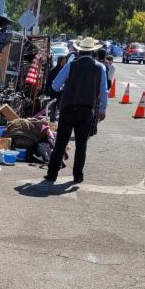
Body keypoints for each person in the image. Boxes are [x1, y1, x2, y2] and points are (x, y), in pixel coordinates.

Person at [44, 37, 108, 184]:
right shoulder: (100, 68)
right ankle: (77, 176)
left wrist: (67, 89)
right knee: (81, 145)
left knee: (60, 143)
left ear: (79, 50)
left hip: (68, 108)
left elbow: (55, 86)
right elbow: (103, 92)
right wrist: (102, 110)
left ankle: (52, 174)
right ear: (94, 51)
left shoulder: (71, 65)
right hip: (87, 110)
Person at [46, 55, 67, 122]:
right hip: (53, 93)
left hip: (62, 94)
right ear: (59, 62)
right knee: (53, 110)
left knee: (62, 110)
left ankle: (60, 125)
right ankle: (52, 124)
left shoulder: (65, 71)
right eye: (63, 61)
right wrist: (46, 91)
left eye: (65, 61)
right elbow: (48, 82)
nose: (64, 63)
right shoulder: (53, 71)